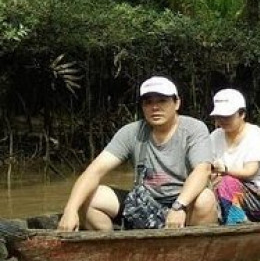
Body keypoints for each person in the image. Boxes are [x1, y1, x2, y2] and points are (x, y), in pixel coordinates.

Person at [56, 76, 217, 231]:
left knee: (205, 198)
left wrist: (179, 205)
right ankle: (112, 247)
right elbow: (94, 171)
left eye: (162, 100)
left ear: (176, 103)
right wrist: (70, 210)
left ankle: (190, 250)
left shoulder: (194, 129)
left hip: (183, 202)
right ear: (142, 107)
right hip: (144, 203)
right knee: (90, 196)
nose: (155, 107)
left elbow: (202, 170)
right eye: (148, 102)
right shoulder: (131, 132)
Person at [208, 88, 260, 223]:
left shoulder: (256, 135)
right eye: (219, 116)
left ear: (242, 114)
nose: (223, 120)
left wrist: (224, 170)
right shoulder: (215, 136)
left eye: (227, 116)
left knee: (226, 181)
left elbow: (250, 171)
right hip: (223, 192)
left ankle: (235, 224)